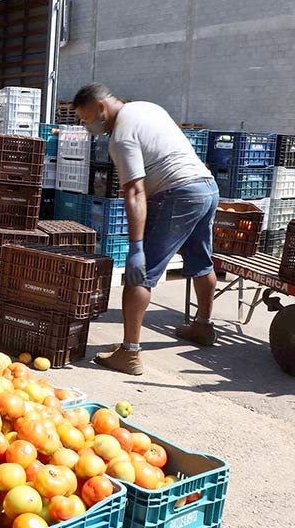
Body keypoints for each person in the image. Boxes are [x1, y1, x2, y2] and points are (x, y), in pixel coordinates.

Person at [73, 83, 220, 376]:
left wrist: (137, 247)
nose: (86, 125)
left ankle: (129, 353)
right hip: (206, 188)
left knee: (140, 276)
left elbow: (135, 193)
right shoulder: (146, 107)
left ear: (101, 108)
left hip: (178, 194)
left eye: (86, 119)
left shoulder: (121, 137)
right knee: (201, 263)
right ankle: (202, 326)